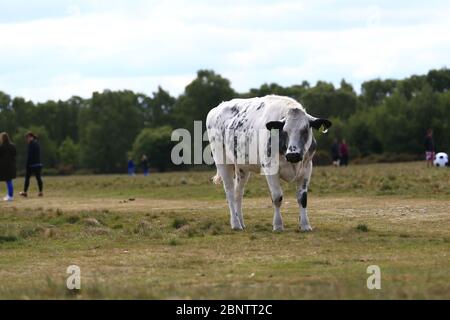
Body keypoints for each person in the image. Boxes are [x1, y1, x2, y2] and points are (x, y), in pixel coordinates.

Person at [19, 132, 44, 197]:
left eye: (27, 138)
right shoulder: (37, 144)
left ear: (31, 137)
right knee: (38, 178)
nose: (27, 139)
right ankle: (40, 192)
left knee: (27, 178)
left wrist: (27, 164)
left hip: (31, 165)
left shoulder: (31, 144)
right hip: (38, 164)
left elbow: (29, 156)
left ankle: (25, 192)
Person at [0, 132, 17, 202]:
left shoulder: (1, 147)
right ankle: (9, 195)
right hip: (11, 165)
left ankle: (10, 196)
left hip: (4, 166)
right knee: (9, 180)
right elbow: (15, 154)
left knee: (8, 181)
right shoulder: (13, 146)